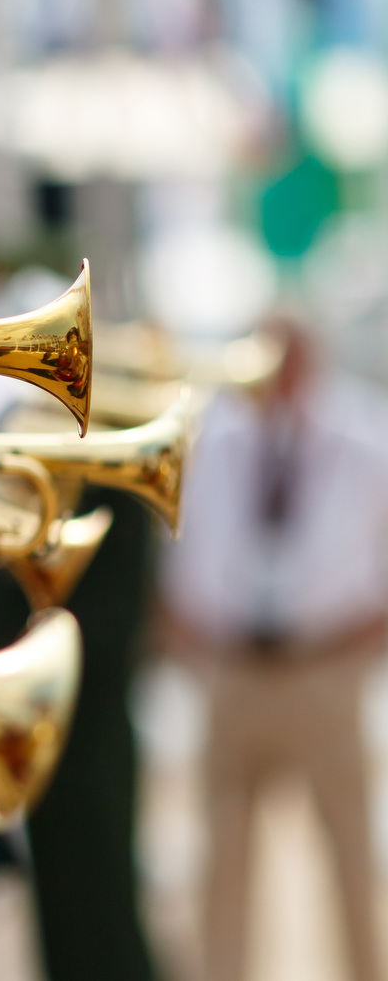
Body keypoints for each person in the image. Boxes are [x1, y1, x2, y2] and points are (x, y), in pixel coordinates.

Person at [160, 315, 388, 981]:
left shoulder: (365, 434)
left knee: (348, 851)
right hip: (232, 669)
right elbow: (186, 545)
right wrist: (189, 637)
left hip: (326, 665)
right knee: (223, 862)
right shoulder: (212, 434)